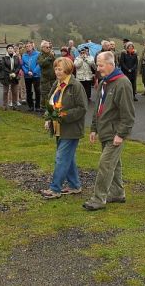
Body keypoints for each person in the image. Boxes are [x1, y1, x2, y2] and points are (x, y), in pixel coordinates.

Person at [83, 51, 135, 211]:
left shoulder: (123, 84)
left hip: (114, 134)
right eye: (97, 65)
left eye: (100, 65)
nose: (98, 68)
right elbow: (99, 107)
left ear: (111, 64)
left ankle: (98, 199)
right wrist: (93, 128)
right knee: (114, 164)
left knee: (105, 164)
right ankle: (118, 193)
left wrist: (121, 134)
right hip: (104, 131)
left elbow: (128, 114)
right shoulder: (104, 82)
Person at [40, 57, 88, 199]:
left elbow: (82, 108)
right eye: (55, 68)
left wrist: (62, 115)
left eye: (60, 69)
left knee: (61, 158)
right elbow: (50, 103)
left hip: (71, 130)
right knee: (68, 158)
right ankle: (75, 186)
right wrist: (49, 118)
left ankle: (55, 189)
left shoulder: (76, 86)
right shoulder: (57, 84)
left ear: (67, 70)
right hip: (58, 129)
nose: (57, 71)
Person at [22, 42, 41, 112]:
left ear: (32, 47)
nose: (28, 47)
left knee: (37, 91)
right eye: (26, 46)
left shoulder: (38, 54)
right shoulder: (24, 55)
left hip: (36, 75)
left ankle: (37, 106)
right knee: (28, 91)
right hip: (27, 76)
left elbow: (39, 64)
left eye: (29, 46)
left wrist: (33, 72)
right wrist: (27, 72)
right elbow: (22, 65)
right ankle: (30, 106)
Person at [0, 45, 21, 109]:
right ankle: (4, 105)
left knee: (14, 91)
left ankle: (14, 105)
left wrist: (14, 73)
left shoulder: (16, 57)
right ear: (7, 50)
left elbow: (18, 66)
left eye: (11, 48)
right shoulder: (4, 58)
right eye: (9, 48)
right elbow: (3, 67)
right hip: (6, 76)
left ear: (13, 50)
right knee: (5, 92)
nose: (10, 49)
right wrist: (10, 73)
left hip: (14, 76)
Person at [38, 40, 56, 108]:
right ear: (42, 48)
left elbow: (55, 63)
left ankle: (51, 109)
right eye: (47, 47)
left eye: (49, 47)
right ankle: (43, 108)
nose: (49, 48)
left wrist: (52, 56)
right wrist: (49, 57)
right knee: (45, 95)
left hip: (53, 78)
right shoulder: (40, 55)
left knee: (53, 94)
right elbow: (42, 64)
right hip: (45, 79)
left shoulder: (51, 54)